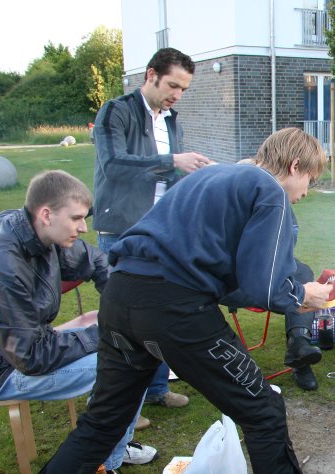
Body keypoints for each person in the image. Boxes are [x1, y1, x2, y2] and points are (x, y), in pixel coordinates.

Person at [0, 128, 332, 474]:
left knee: (102, 423)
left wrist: (279, 292)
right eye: (309, 181)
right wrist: (302, 294)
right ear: (294, 166)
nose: (305, 193)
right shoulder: (268, 190)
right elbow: (265, 285)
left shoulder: (210, 177)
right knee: (263, 410)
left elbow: (217, 272)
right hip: (175, 309)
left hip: (121, 297)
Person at [0, 171, 156, 474]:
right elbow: (31, 357)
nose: (83, 228)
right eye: (76, 218)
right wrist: (105, 331)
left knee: (136, 347)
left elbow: (96, 261)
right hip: (0, 371)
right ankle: (99, 467)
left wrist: (119, 303)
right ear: (47, 213)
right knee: (129, 359)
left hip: (30, 344)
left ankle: (115, 443)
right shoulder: (0, 265)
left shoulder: (39, 235)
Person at [92, 47, 210, 414]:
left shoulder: (171, 120)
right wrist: (172, 161)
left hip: (159, 232)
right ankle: (124, 404)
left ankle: (157, 389)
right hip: (121, 230)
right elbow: (114, 165)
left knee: (155, 311)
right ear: (151, 75)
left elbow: (167, 177)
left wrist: (196, 175)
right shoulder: (116, 111)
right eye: (173, 85)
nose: (178, 95)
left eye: (184, 89)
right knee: (122, 319)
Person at [236, 158, 322, 391]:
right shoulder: (245, 194)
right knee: (295, 282)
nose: (306, 192)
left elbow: (283, 253)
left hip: (271, 272)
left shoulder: (280, 200)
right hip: (240, 278)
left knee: (303, 271)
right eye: (308, 181)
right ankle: (298, 351)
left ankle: (299, 347)